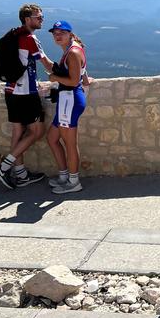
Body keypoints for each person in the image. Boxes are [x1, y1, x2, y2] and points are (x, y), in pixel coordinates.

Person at [0, 3, 54, 189]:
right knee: (37, 131)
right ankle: (3, 167)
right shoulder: (29, 39)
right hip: (25, 94)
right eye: (38, 17)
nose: (41, 20)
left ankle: (21, 175)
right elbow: (47, 65)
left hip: (11, 90)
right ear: (27, 19)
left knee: (18, 132)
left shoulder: (13, 35)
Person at [45, 20, 89, 195]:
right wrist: (86, 82)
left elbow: (72, 80)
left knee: (70, 143)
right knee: (52, 138)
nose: (57, 36)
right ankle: (64, 176)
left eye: (61, 33)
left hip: (70, 100)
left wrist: (54, 78)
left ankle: (73, 181)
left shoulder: (72, 53)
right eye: (55, 33)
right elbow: (83, 76)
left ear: (70, 34)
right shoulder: (72, 49)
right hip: (67, 100)